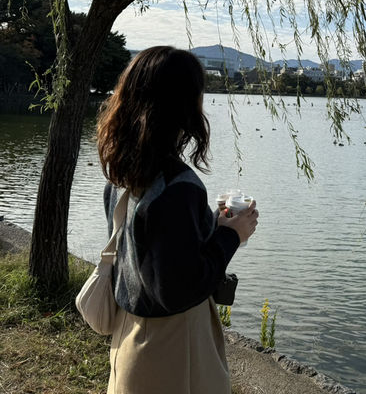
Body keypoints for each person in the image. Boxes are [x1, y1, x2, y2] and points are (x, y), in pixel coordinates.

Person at [96, 46, 258, 394]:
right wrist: (233, 236)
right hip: (173, 346)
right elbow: (178, 289)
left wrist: (214, 224)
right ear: (185, 105)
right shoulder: (178, 187)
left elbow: (153, 255)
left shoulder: (122, 175)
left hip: (130, 338)